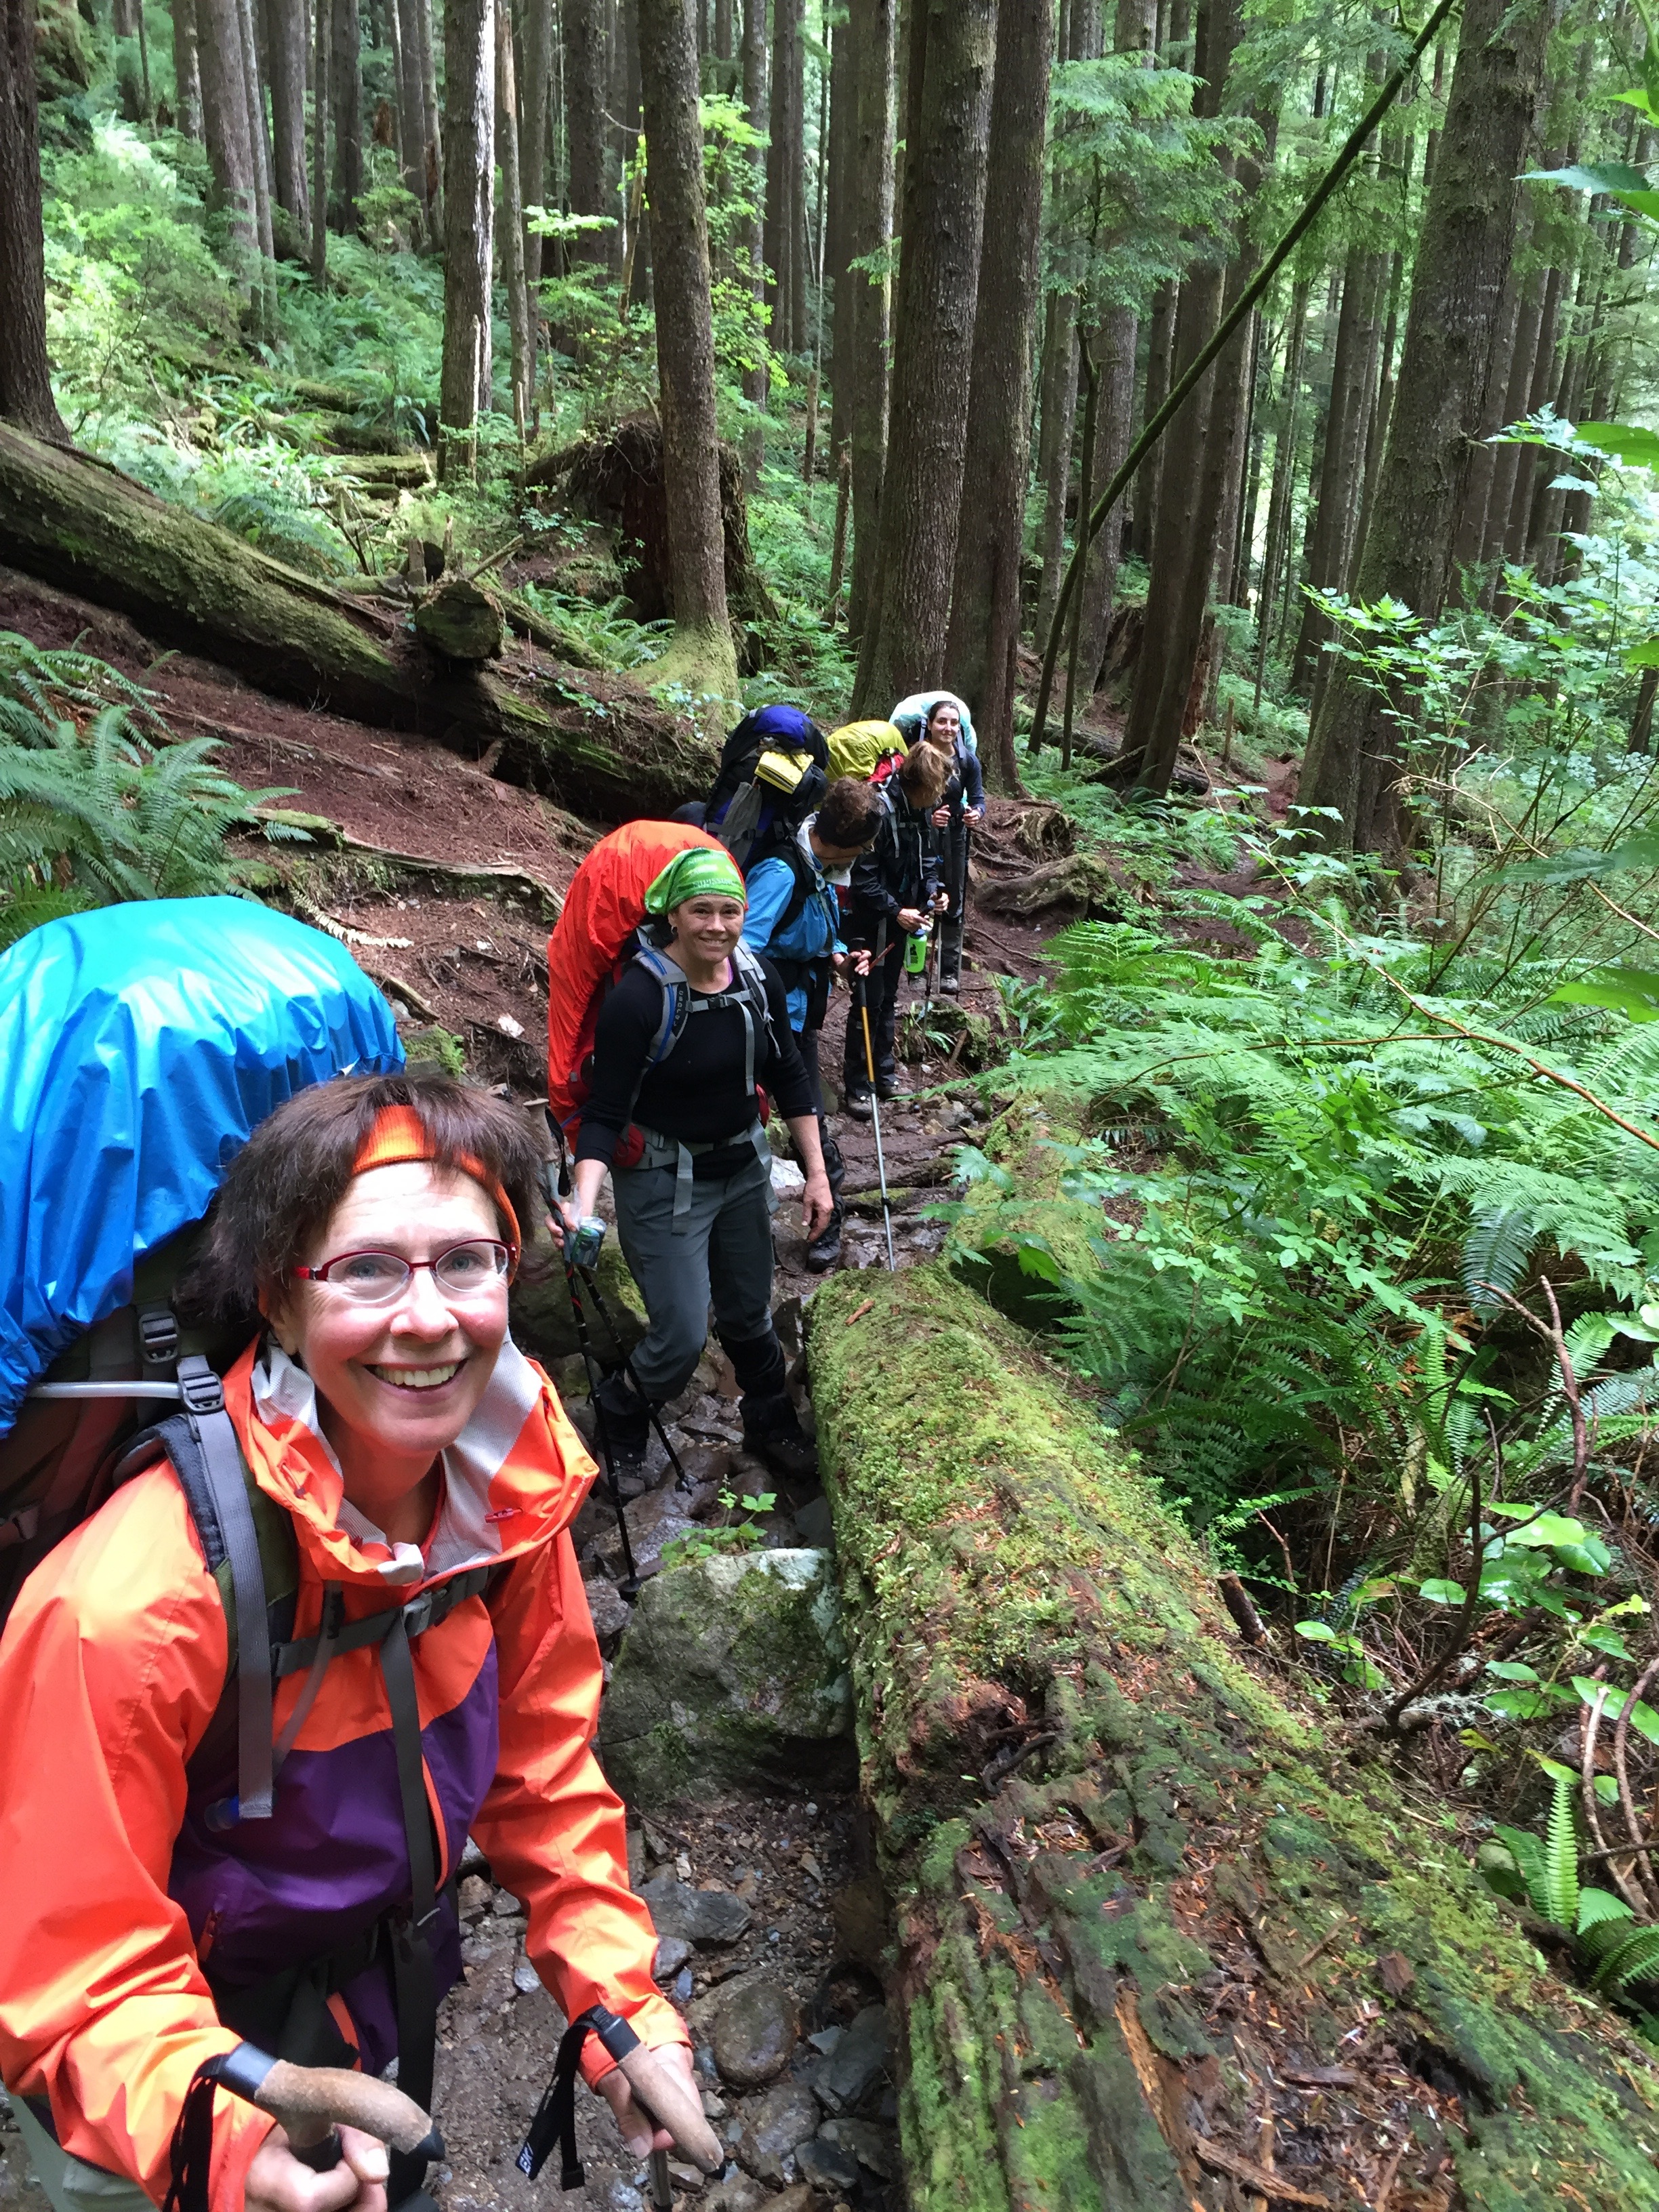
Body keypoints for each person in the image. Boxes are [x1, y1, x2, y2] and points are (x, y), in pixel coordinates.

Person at [0, 1072, 693, 2212]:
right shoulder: (132, 1604)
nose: (427, 1317)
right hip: (154, 2078)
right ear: (279, 1301)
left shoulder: (506, 1503)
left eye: (466, 1261)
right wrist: (229, 2142)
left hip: (366, 2007)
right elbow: (72, 1964)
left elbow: (544, 1772)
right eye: (366, 1268)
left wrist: (621, 2008)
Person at [560, 845, 831, 1479]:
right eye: (700, 911)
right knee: (681, 1337)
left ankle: (769, 1420)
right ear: (673, 916)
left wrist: (817, 1175)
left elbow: (790, 1076)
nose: (717, 925)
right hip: (663, 1179)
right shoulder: (640, 997)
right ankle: (621, 1410)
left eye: (729, 911)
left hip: (742, 1171)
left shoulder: (758, 980)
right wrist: (581, 1204)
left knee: (749, 1314)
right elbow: (605, 1114)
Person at [741, 776, 885, 1273]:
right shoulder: (783, 872)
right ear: (844, 842)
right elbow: (743, 949)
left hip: (797, 1017)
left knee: (808, 1119)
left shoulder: (815, 866)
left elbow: (816, 931)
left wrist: (840, 958)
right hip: (767, 1023)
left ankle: (823, 1218)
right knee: (800, 1121)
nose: (864, 854)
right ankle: (815, 1220)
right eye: (863, 846)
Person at [840, 741, 951, 1118]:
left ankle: (884, 1074)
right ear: (918, 784)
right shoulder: (880, 812)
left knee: (889, 997)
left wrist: (934, 893)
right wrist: (895, 910)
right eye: (935, 789)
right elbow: (862, 878)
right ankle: (858, 1085)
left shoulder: (921, 812)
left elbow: (928, 861)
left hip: (902, 920)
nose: (939, 797)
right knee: (867, 1001)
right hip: (871, 921)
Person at [890, 693, 985, 994]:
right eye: (942, 721)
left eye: (954, 723)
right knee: (920, 895)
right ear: (930, 724)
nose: (948, 728)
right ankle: (915, 971)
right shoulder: (917, 756)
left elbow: (978, 799)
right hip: (922, 834)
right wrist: (930, 818)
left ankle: (949, 973)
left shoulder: (967, 761)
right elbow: (906, 797)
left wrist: (975, 814)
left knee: (953, 899)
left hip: (955, 836)